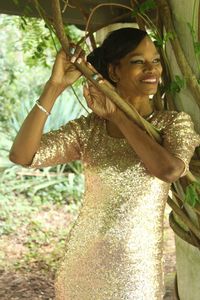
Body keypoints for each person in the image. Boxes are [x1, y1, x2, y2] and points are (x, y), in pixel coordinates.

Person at [9, 27, 200, 299]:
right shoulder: (89, 130)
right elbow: (22, 155)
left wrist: (118, 116)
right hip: (81, 269)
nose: (152, 69)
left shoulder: (172, 124)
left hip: (137, 275)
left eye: (156, 60)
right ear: (113, 71)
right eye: (138, 62)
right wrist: (55, 87)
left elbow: (168, 170)